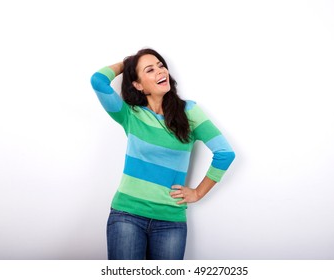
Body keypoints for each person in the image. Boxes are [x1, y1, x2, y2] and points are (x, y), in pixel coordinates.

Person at [90, 48, 235, 260]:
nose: (161, 71)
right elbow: (98, 80)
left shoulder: (189, 112)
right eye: (150, 69)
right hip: (127, 216)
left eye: (160, 65)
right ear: (138, 85)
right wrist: (127, 63)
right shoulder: (129, 114)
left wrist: (198, 193)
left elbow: (225, 153)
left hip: (170, 221)